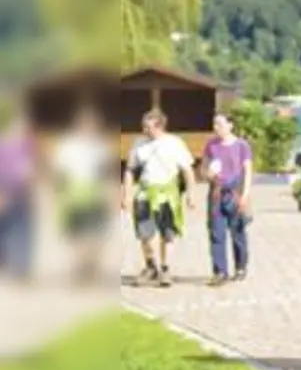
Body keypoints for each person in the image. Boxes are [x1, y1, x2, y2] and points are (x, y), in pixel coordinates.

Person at [121, 109, 196, 287]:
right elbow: (130, 171)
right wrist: (126, 195)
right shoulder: (139, 144)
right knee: (145, 233)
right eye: (144, 126)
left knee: (167, 232)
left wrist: (191, 194)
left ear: (160, 126)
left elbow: (187, 170)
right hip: (146, 192)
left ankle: (165, 268)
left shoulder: (175, 143)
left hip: (167, 193)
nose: (144, 130)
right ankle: (150, 265)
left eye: (148, 127)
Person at [51, 101, 115, 285]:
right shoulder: (67, 146)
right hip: (73, 195)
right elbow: (59, 173)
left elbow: (107, 173)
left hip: (95, 194)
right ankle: (81, 268)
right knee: (77, 235)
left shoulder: (100, 147)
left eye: (91, 123)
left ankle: (91, 267)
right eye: (84, 123)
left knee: (96, 234)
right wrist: (57, 195)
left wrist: (110, 193)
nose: (88, 127)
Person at [200, 112, 254, 285]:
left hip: (235, 191)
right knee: (216, 233)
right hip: (216, 191)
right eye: (214, 124)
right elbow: (203, 168)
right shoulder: (211, 145)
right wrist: (208, 174)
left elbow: (248, 171)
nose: (216, 128)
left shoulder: (241, 146)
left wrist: (245, 194)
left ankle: (240, 266)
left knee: (237, 231)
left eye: (220, 124)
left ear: (230, 125)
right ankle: (220, 271)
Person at [0, 102, 38, 281]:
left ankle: (21, 268)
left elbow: (33, 169)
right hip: (7, 191)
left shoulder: (28, 145)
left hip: (23, 193)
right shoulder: (4, 145)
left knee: (23, 230)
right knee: (6, 229)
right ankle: (8, 263)